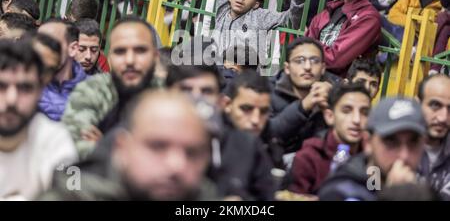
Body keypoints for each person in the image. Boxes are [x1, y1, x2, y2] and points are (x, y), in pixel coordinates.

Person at [40, 90, 216, 201]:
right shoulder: (74, 195)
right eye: (157, 146)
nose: (176, 165)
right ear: (122, 148)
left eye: (192, 153)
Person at [166, 64, 276, 200]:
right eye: (186, 90)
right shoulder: (145, 143)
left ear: (220, 102)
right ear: (166, 96)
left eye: (206, 92)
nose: (196, 99)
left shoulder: (246, 146)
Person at [62, 17, 162, 159]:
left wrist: (104, 144)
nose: (130, 60)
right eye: (120, 51)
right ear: (109, 57)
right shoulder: (93, 89)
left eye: (140, 51)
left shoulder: (169, 96)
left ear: (155, 57)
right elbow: (75, 146)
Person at [0, 39, 77, 200]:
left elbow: (73, 192)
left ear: (40, 91)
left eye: (25, 88)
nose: (11, 99)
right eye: (2, 86)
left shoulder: (56, 140)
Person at [319, 97, 427, 201]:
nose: (404, 155)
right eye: (391, 142)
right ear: (368, 143)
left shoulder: (422, 182)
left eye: (413, 142)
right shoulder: (342, 191)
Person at [289, 83, 371, 195]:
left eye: (364, 113)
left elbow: (376, 194)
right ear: (330, 116)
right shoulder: (309, 157)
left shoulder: (373, 158)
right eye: (347, 111)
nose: (356, 120)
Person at [37, 19, 87, 121]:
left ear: (73, 49)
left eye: (49, 43)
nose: (41, 50)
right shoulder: (21, 85)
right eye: (38, 42)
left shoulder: (96, 91)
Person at [417, 74, 450, 200]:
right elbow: (370, 186)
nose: (443, 118)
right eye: (435, 105)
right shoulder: (394, 142)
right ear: (418, 104)